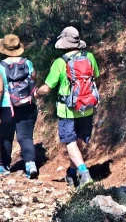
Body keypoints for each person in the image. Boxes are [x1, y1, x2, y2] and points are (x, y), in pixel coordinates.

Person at [36, 26, 100, 188]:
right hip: (86, 107)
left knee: (70, 143)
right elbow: (95, 76)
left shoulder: (60, 62)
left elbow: (47, 87)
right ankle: (72, 174)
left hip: (67, 110)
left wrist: (36, 92)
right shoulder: (90, 57)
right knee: (78, 142)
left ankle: (84, 173)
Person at [0, 34, 39, 178]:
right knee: (26, 137)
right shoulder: (27, 63)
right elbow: (33, 80)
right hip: (27, 104)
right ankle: (31, 165)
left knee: (6, 137)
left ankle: (4, 166)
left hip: (7, 107)